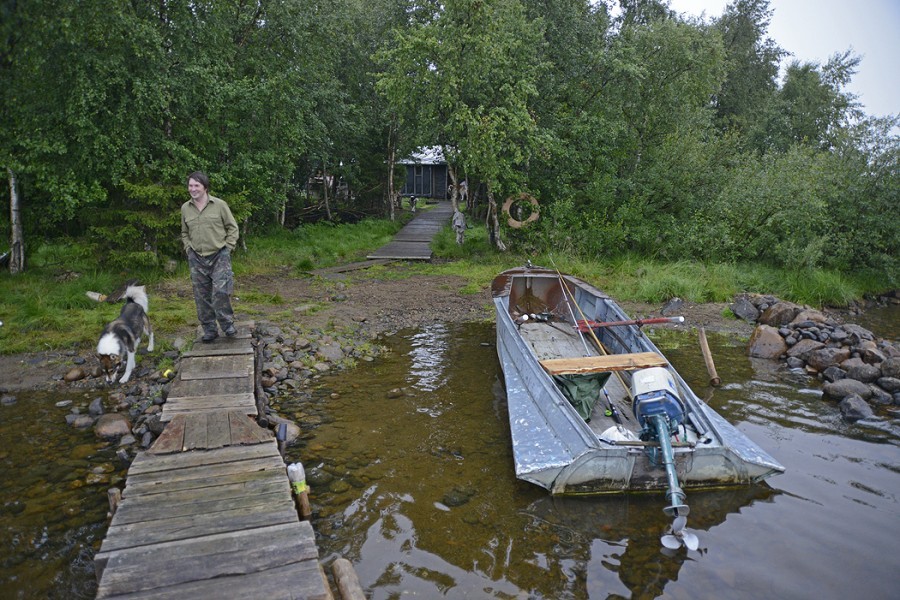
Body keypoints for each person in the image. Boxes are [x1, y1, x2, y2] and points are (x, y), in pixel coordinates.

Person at [181, 171, 239, 342]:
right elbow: (184, 232)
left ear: (205, 187)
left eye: (196, 185)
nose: (193, 189)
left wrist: (228, 248)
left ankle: (227, 325)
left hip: (219, 255)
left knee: (221, 292)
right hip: (197, 258)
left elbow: (232, 227)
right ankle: (209, 329)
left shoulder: (219, 205)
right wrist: (188, 248)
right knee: (201, 295)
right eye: (190, 185)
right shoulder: (185, 208)